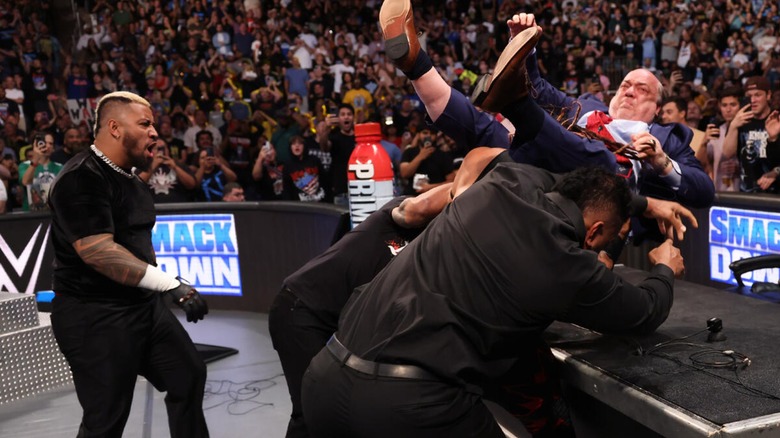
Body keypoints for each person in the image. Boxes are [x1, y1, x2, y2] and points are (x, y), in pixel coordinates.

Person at [301, 164, 685, 438]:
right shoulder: (565, 263)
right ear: (595, 232)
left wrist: (638, 205)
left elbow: (570, 183)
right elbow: (644, 311)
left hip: (324, 378)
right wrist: (664, 270)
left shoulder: (505, 180)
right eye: (609, 239)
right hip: (409, 408)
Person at [377, 2, 713, 209]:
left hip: (608, 184)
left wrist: (662, 161)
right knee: (486, 131)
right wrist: (524, 48)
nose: (629, 91)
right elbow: (540, 89)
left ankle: (514, 102)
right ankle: (415, 63)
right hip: (546, 168)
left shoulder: (668, 138)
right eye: (625, 84)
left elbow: (704, 193)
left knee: (592, 154)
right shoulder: (588, 108)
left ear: (656, 109)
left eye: (642, 90)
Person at [47, 91, 209, 437]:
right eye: (145, 124)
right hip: (93, 316)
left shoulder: (132, 179)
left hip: (142, 309)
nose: (155, 132)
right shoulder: (81, 177)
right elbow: (98, 251)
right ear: (115, 127)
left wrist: (165, 283)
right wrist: (168, 284)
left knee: (188, 374)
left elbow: (136, 246)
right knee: (106, 419)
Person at [722, 76, 780, 193]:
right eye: (749, 96)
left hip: (775, 195)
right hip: (746, 193)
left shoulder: (777, 120)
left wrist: (777, 171)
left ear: (768, 95)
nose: (753, 100)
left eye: (757, 95)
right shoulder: (740, 121)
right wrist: (733, 126)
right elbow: (728, 153)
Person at [706, 88, 742, 191]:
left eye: (733, 105)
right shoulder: (716, 131)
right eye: (724, 105)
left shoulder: (747, 131)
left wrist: (739, 168)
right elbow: (705, 163)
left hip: (743, 192)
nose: (728, 109)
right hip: (719, 190)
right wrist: (704, 141)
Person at [18, 131, 63, 211]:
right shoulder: (24, 165)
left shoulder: (60, 167)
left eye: (50, 143)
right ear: (35, 145)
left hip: (54, 214)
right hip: (31, 215)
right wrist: (36, 159)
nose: (47, 146)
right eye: (44, 143)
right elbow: (25, 182)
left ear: (53, 148)